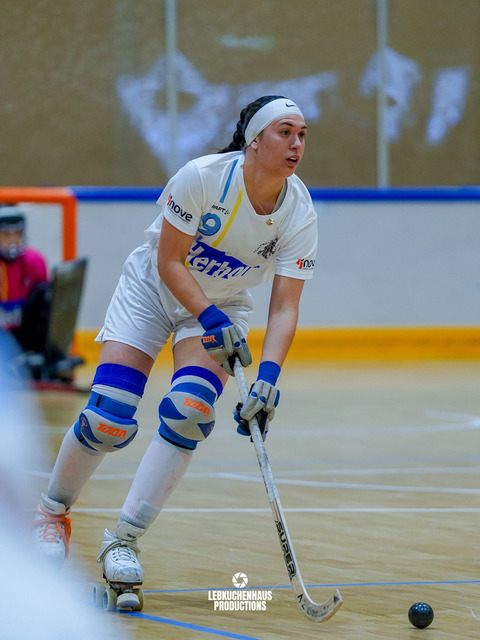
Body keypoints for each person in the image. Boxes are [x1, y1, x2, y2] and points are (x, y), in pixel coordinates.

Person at [32, 95, 318, 606]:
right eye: (285, 132)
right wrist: (209, 318)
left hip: (222, 304)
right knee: (109, 418)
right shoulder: (202, 177)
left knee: (189, 413)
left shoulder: (300, 211)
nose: (297, 144)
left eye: (302, 135)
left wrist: (269, 379)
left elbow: (283, 308)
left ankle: (123, 541)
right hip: (152, 291)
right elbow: (169, 262)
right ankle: (50, 514)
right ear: (254, 140)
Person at [0, 204, 50, 356]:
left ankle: (38, 357)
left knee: (46, 293)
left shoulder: (35, 261)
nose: (12, 240)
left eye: (17, 234)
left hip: (25, 336)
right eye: (5, 235)